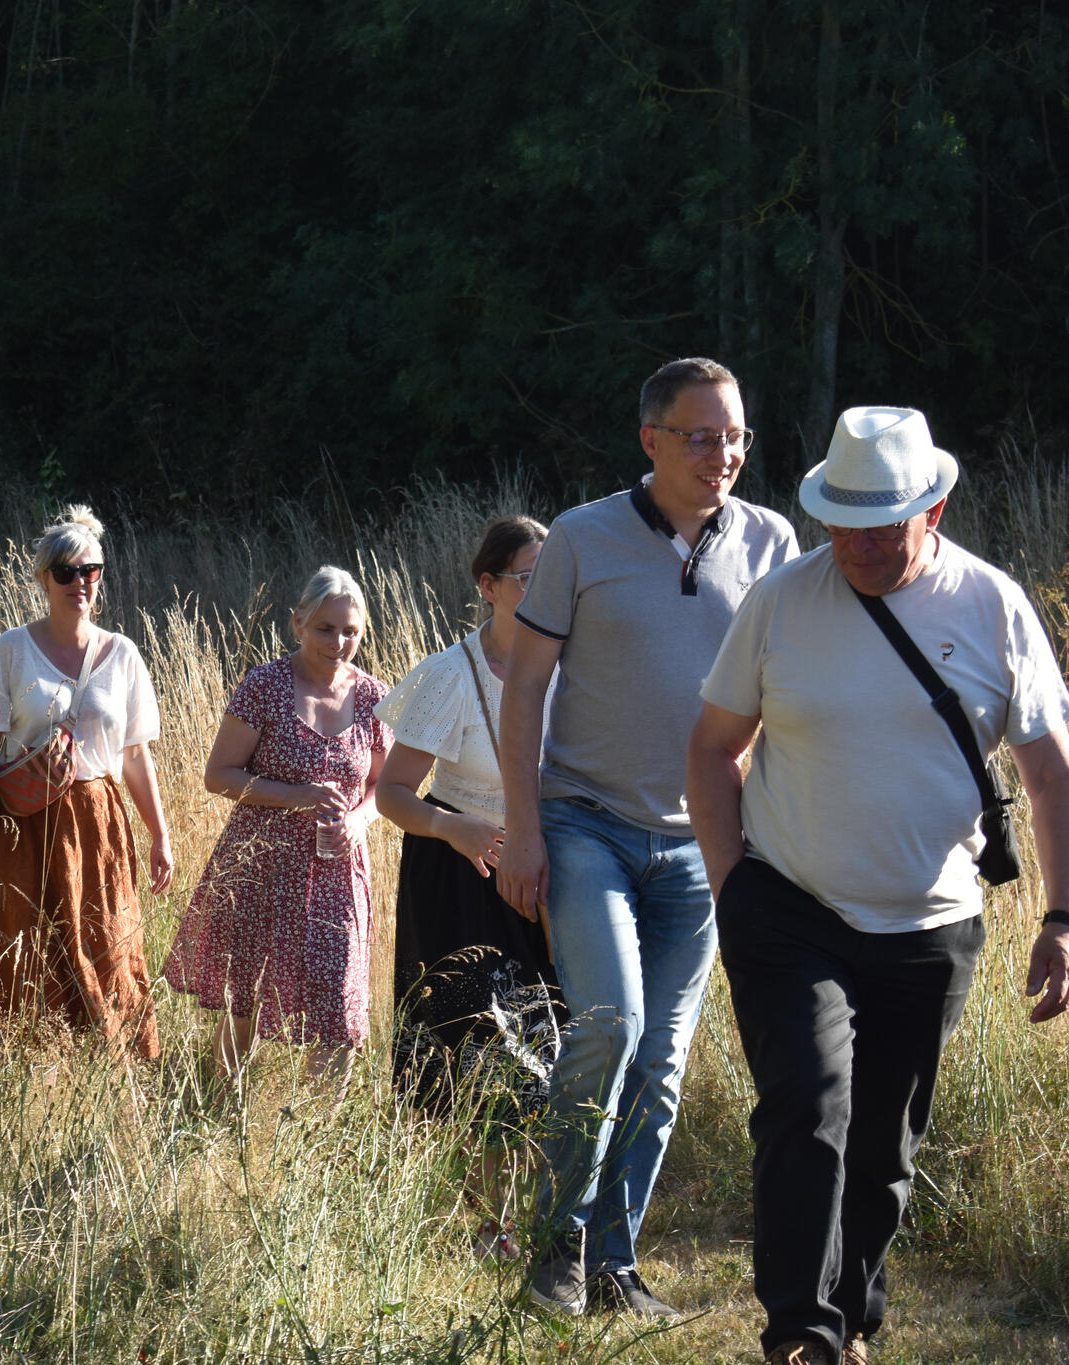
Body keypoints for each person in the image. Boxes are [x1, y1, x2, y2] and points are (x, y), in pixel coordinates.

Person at [687, 406, 1069, 1365]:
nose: (856, 544)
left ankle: (850, 1317)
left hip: (930, 922)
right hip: (787, 902)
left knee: (882, 1149)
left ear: (931, 510)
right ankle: (799, 1335)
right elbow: (710, 748)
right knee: (806, 1105)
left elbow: (1049, 771)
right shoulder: (778, 602)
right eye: (839, 522)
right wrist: (731, 880)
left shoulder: (991, 606)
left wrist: (1061, 916)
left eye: (881, 524)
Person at [495, 357, 799, 1319]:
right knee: (611, 1027)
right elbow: (525, 688)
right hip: (586, 823)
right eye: (702, 435)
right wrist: (521, 827)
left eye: (737, 436)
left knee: (661, 1064)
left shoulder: (771, 540)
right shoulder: (581, 538)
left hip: (706, 844)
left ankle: (614, 1267)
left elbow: (785, 691)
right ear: (650, 439)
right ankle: (556, 1250)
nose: (724, 455)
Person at [373, 517, 562, 1259]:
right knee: (483, 1043)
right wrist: (451, 827)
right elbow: (390, 793)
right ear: (487, 587)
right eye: (526, 576)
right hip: (462, 877)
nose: (541, 590)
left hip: (554, 871)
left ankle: (553, 1215)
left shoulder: (576, 666)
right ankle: (491, 1223)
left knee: (554, 1035)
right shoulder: (449, 676)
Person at [0, 504, 174, 1059]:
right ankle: (22, 1077)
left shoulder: (121, 654)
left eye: (92, 571)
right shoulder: (12, 648)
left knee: (104, 946)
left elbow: (134, 754)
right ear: (44, 578)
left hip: (95, 821)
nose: (81, 583)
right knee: (22, 947)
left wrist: (160, 835)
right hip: (20, 822)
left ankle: (107, 1074)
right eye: (68, 573)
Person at [161, 567, 389, 1086]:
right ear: (298, 624)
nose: (339, 642)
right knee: (247, 998)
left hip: (338, 869)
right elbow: (218, 776)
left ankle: (317, 1141)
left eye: (351, 631)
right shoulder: (264, 685)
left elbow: (384, 789)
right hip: (262, 860)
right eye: (325, 629)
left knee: (338, 1001)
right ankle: (219, 1114)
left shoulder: (374, 697)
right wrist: (297, 797)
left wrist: (357, 819)